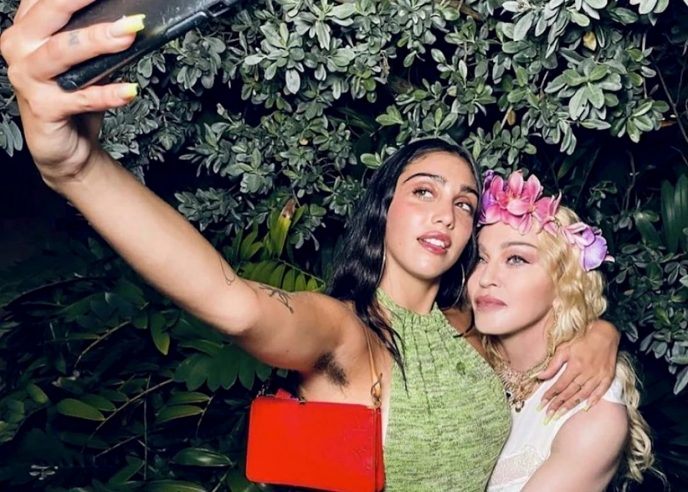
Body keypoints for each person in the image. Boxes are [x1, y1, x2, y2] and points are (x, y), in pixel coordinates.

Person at [0, 2, 621, 489]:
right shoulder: (345, 332)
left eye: (464, 203)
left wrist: (602, 334)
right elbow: (235, 303)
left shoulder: (472, 328)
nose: (446, 213)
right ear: (384, 209)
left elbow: (549, 340)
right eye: (423, 191)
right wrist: (77, 168)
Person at [465, 169, 656, 491]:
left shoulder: (593, 414)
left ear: (564, 282)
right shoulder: (462, 355)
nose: (486, 278)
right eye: (480, 259)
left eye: (516, 259)